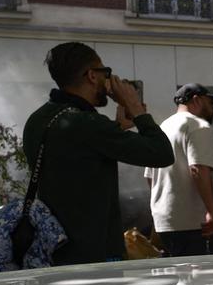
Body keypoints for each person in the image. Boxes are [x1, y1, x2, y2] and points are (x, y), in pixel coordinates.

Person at [21, 42, 174, 266]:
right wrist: (136, 107)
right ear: (92, 76)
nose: (109, 80)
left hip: (52, 250)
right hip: (96, 254)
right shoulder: (88, 124)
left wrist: (117, 128)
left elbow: (77, 156)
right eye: (106, 72)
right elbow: (161, 154)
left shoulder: (37, 119)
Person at [144, 83, 213, 257]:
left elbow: (150, 176)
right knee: (202, 281)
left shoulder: (162, 127)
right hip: (195, 223)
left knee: (178, 278)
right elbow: (198, 169)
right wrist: (211, 210)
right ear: (197, 100)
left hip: (164, 221)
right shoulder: (198, 126)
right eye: (211, 103)